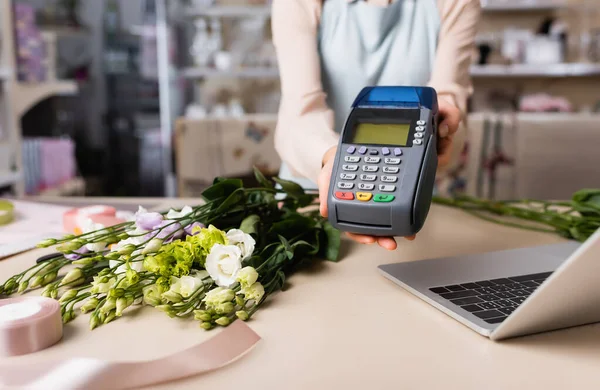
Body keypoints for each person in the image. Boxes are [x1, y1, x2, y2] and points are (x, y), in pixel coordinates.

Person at [271, 0, 481, 250]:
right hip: (315, 194)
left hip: (411, 194)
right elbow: (299, 113)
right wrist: (333, 159)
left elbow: (449, 95)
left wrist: (443, 125)